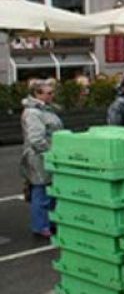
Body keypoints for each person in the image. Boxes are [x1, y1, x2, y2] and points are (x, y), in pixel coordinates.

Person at [20, 79, 63, 237]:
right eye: (49, 93)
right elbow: (36, 139)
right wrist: (52, 151)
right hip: (39, 157)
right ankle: (40, 226)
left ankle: (49, 222)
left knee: (49, 190)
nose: (52, 95)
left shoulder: (45, 110)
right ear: (37, 94)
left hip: (48, 156)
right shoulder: (33, 113)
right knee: (41, 190)